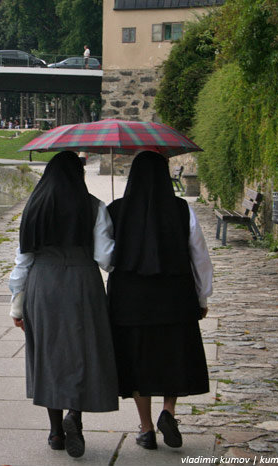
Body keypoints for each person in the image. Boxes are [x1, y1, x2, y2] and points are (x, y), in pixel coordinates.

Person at [9, 151, 118, 458]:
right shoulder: (94, 206)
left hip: (44, 285)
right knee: (81, 352)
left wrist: (16, 304)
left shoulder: (34, 207)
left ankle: (56, 432)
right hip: (83, 284)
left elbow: (23, 260)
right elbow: (105, 259)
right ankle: (76, 418)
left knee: (49, 355)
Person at [107, 151, 213, 450]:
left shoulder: (116, 210)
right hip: (175, 297)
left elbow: (105, 257)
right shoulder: (181, 209)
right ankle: (169, 411)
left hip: (130, 300)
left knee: (137, 360)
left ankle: (146, 427)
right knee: (174, 355)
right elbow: (199, 256)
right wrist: (202, 295)